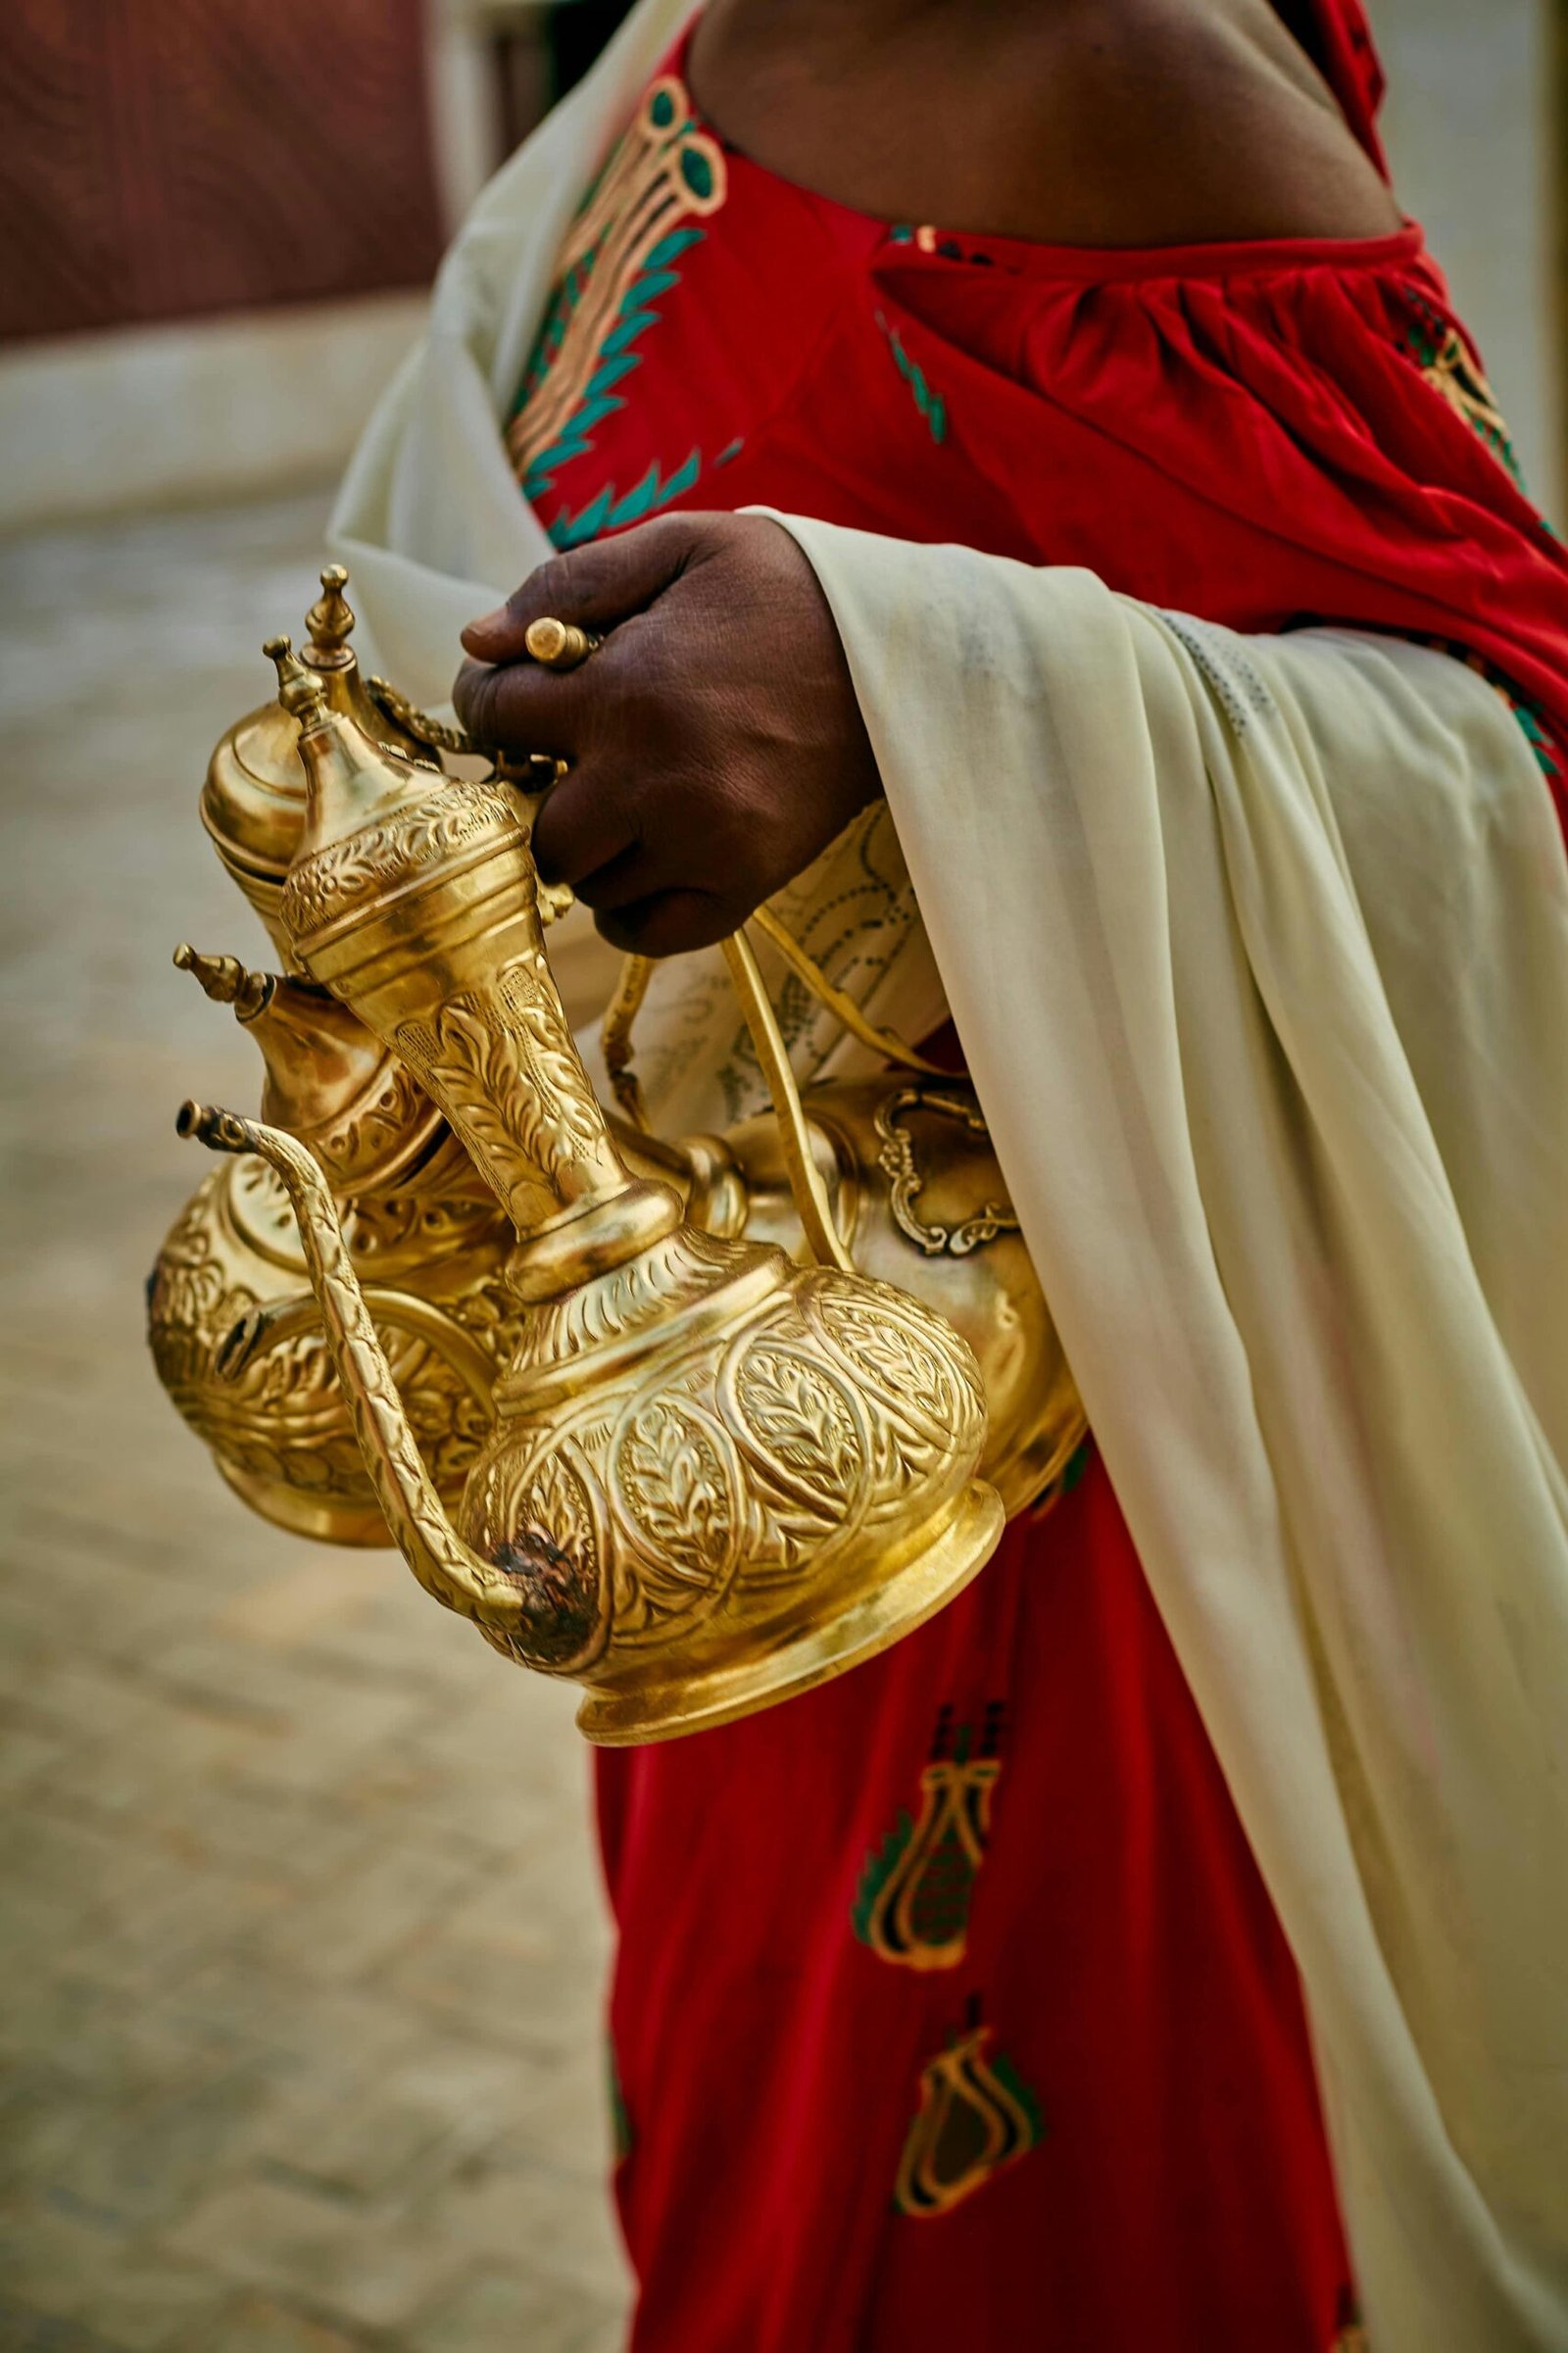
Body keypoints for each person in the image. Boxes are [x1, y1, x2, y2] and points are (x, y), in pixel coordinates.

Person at [332, 2, 1568, 2345]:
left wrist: (900, 679)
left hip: (1073, 1585)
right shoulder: (700, 29)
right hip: (741, 1510)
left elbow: (1514, 773)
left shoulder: (1114, 77)